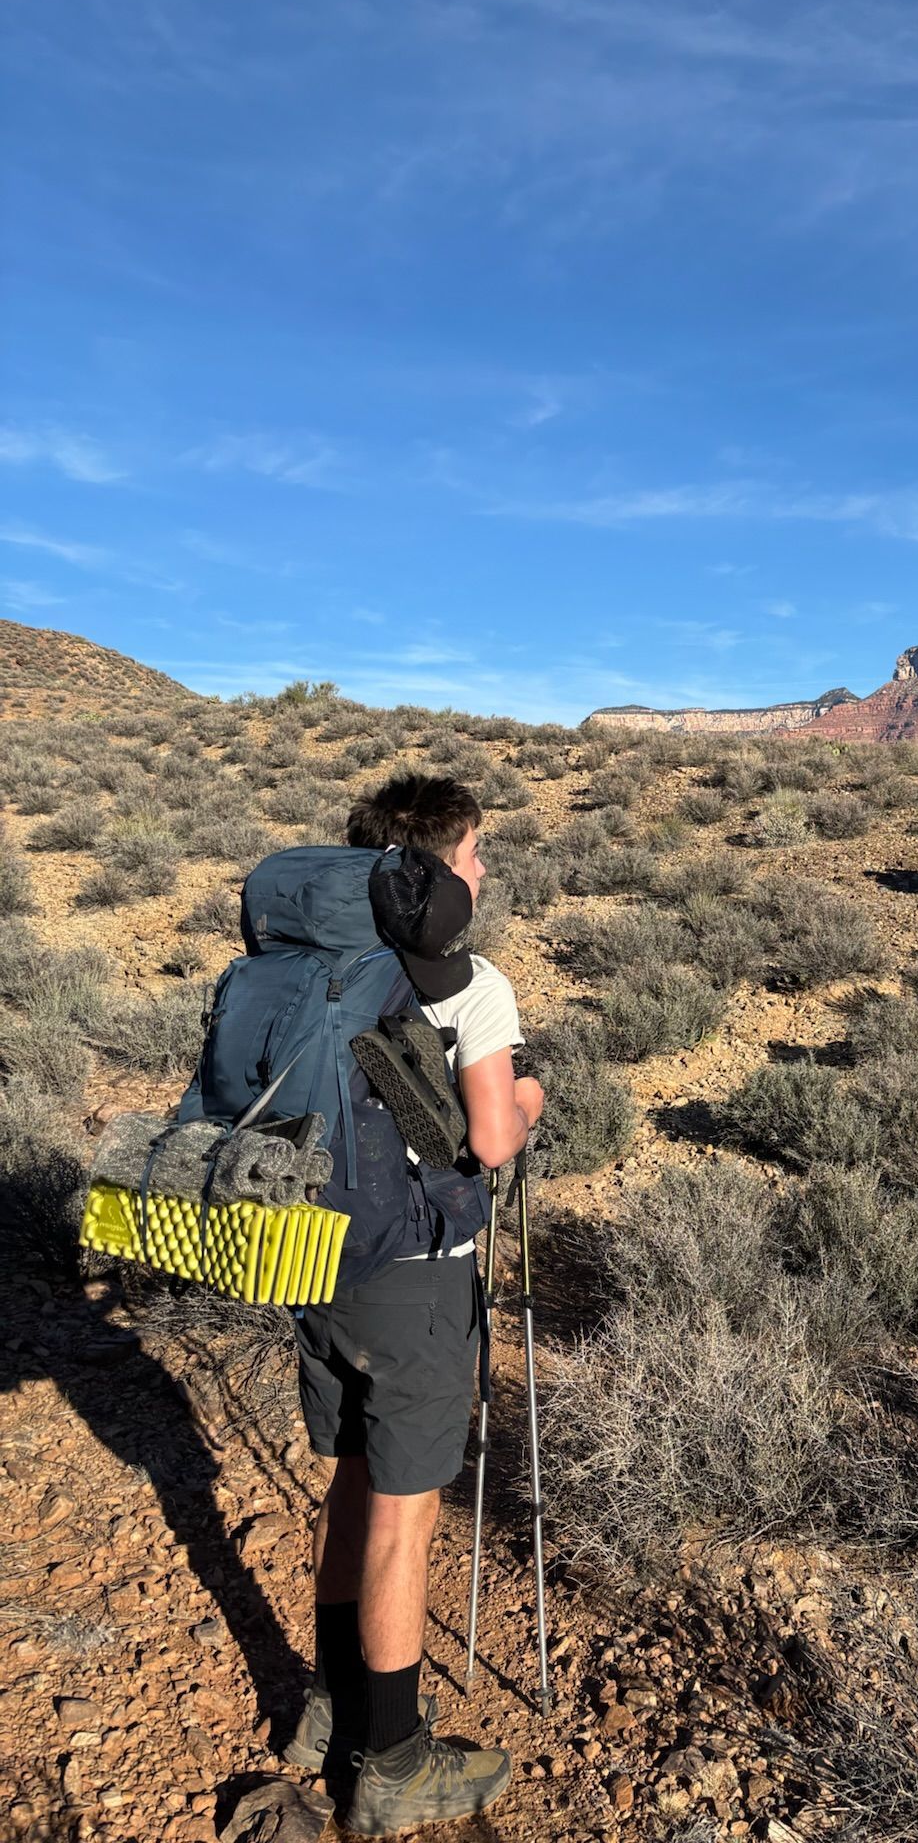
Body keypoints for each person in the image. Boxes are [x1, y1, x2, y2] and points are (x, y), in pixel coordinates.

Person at [284, 774, 544, 1835]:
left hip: (311, 1252)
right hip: (417, 1270)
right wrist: (526, 1097)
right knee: (404, 1511)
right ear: (434, 867)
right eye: (476, 852)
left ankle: (329, 1707)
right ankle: (390, 1759)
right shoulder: (471, 982)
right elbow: (488, 1142)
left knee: (349, 1485)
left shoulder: (312, 968)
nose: (484, 870)